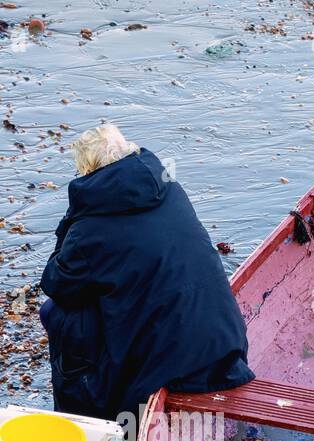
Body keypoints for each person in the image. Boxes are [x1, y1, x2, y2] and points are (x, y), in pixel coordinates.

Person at [40, 124, 253, 423]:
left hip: (172, 363)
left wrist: (74, 216)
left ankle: (88, 418)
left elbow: (55, 282)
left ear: (88, 171)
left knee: (56, 313)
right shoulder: (170, 190)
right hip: (224, 347)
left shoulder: (92, 227)